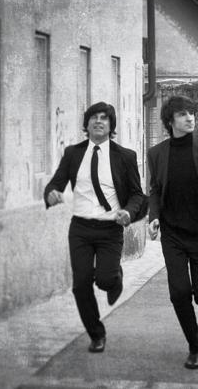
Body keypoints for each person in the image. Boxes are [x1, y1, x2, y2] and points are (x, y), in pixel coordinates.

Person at [44, 102, 146, 353]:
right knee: (80, 285)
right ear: (87, 124)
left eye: (104, 118)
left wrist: (128, 212)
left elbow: (137, 194)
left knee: (105, 279)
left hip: (110, 229)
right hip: (80, 229)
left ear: (111, 125)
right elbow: (56, 183)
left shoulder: (125, 156)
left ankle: (114, 278)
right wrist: (51, 194)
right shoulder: (73, 153)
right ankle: (96, 334)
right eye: (94, 117)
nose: (99, 121)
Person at [146, 95, 198, 370]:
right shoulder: (157, 154)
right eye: (182, 114)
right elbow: (156, 190)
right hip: (173, 234)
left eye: (191, 113)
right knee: (179, 292)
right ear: (170, 121)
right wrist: (154, 217)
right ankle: (194, 346)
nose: (190, 118)